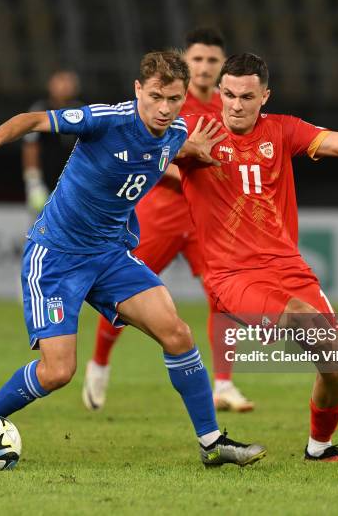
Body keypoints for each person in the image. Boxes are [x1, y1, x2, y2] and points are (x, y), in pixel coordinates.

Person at [0, 51, 265, 468]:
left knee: (176, 332)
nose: (164, 108)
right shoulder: (105, 120)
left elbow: (172, 151)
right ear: (138, 90)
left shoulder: (174, 131)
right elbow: (33, 121)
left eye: (174, 99)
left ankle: (212, 443)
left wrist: (198, 153)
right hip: (57, 257)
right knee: (58, 372)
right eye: (156, 96)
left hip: (109, 255)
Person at [177, 53, 338, 462]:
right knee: (302, 316)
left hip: (290, 268)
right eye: (228, 94)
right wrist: (183, 150)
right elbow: (145, 155)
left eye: (246, 96)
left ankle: (320, 449)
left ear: (265, 96)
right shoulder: (194, 132)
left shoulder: (281, 129)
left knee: (334, 367)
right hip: (233, 276)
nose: (236, 105)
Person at [83, 28, 255, 413]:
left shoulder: (229, 110)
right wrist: (198, 172)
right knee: (123, 296)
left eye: (212, 60)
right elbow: (148, 159)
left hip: (203, 223)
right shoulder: (169, 103)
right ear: (185, 64)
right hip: (157, 215)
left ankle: (224, 383)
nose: (205, 67)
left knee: (223, 296)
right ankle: (99, 363)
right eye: (197, 59)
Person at [22, 70, 81, 213]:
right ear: (51, 85)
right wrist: (33, 181)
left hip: (75, 182)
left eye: (69, 82)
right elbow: (30, 146)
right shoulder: (40, 110)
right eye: (61, 81)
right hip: (46, 181)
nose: (65, 86)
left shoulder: (82, 111)